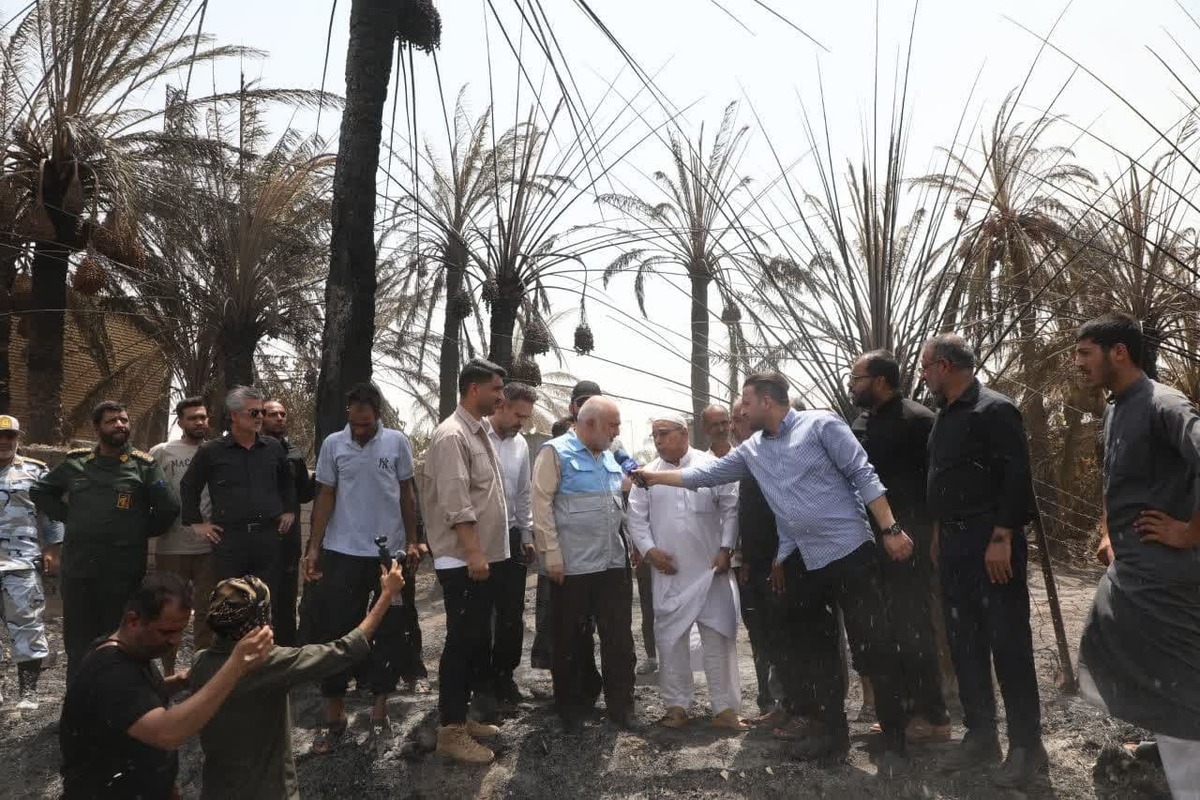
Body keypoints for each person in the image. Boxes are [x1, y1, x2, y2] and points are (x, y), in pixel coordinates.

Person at [636, 372, 914, 778]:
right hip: (803, 561)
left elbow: (862, 474)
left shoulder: (822, 424)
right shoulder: (752, 450)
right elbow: (703, 476)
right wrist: (652, 476)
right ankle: (832, 736)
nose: (741, 413)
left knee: (873, 646)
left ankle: (895, 742)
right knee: (816, 652)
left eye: (745, 404)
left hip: (850, 552)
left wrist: (889, 529)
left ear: (767, 401)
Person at [1073, 314, 1200, 799]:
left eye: (1086, 353)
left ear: (1118, 352)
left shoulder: (1164, 404)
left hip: (1168, 581)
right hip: (1131, 574)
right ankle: (1161, 747)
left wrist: (1189, 533)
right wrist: (1108, 530)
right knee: (1109, 648)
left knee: (1182, 698)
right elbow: (1116, 478)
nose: (1077, 363)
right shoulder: (1114, 409)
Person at [921, 333, 1046, 788]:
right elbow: (941, 480)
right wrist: (937, 534)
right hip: (953, 544)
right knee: (965, 641)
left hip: (990, 539)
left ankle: (1027, 747)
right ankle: (980, 736)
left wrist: (1002, 537)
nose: (922, 373)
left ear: (946, 366)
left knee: (1007, 644)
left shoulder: (994, 409)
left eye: (925, 365)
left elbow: (1016, 478)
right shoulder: (943, 417)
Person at [192, 563, 406, 799]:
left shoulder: (200, 664)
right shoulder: (269, 664)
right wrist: (387, 595)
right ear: (260, 618)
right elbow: (345, 649)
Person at [59, 572, 272, 800]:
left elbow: (137, 701)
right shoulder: (110, 672)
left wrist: (180, 681)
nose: (175, 641)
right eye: (166, 632)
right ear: (133, 621)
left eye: (180, 631)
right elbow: (168, 732)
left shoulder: (131, 655)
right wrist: (235, 666)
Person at [302, 382, 419, 752]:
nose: (362, 428)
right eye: (356, 421)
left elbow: (406, 492)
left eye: (368, 422)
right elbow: (325, 495)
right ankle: (333, 716)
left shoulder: (398, 442)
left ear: (378, 414)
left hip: (389, 556)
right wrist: (314, 547)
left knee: (389, 628)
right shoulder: (334, 444)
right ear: (349, 414)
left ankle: (380, 712)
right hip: (342, 552)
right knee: (337, 630)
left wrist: (413, 540)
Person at [32, 401, 179, 682]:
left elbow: (168, 508)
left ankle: (115, 701)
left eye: (124, 420)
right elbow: (40, 491)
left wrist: (136, 530)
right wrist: (69, 517)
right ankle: (78, 704)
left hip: (122, 571)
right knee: (77, 639)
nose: (120, 425)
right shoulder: (76, 463)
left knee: (120, 636)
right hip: (79, 568)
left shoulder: (143, 466)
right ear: (97, 428)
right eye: (112, 421)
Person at [849, 350, 951, 743]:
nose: (853, 385)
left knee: (914, 627)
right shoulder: (859, 423)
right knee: (888, 630)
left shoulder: (920, 420)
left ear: (879, 380)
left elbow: (936, 484)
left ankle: (935, 716)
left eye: (857, 378)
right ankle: (904, 711)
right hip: (870, 543)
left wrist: (935, 535)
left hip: (911, 540)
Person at [627, 412, 745, 731]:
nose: (658, 440)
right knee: (670, 638)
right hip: (670, 572)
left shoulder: (712, 467)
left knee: (718, 637)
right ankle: (676, 706)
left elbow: (730, 509)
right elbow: (636, 519)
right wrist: (651, 551)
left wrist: (725, 548)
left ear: (684, 433)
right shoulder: (646, 475)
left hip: (711, 570)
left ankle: (725, 709)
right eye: (655, 435)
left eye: (664, 433)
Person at [419, 358, 509, 764]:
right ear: (475, 390)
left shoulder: (478, 431)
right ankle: (451, 730)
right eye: (496, 389)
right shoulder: (451, 436)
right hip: (463, 560)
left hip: (480, 558)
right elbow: (457, 502)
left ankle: (462, 720)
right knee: (459, 643)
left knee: (474, 640)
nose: (501, 397)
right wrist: (474, 551)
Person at [532, 396, 637, 735]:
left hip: (611, 564)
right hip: (572, 567)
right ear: (589, 424)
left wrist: (632, 547)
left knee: (619, 639)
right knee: (571, 640)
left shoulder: (608, 455)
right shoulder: (555, 452)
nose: (617, 432)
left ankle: (622, 707)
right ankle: (572, 708)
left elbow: (620, 505)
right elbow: (541, 505)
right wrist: (551, 555)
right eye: (613, 425)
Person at [179, 386, 297, 622]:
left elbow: (287, 482)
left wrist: (290, 511)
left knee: (264, 604)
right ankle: (229, 656)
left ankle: (260, 654)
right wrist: (196, 523)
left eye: (262, 412)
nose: (261, 418)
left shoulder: (272, 448)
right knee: (229, 604)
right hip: (230, 541)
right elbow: (188, 486)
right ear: (234, 415)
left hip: (267, 539)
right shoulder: (211, 451)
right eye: (254, 413)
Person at [0, 414, 63, 709]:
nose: (4, 442)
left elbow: (50, 513)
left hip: (21, 561)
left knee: (27, 624)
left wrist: (52, 547)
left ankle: (28, 693)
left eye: (10, 436)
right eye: (0, 436)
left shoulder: (35, 471)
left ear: (17, 439)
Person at [149, 396, 215, 675]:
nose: (199, 422)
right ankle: (167, 673)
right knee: (169, 610)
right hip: (172, 545)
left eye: (202, 417)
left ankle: (201, 671)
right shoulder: (162, 452)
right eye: (192, 418)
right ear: (180, 422)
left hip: (208, 547)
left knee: (206, 613)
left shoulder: (217, 451)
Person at [728, 399, 785, 723]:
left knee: (779, 635)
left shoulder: (772, 458)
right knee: (761, 634)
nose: (734, 427)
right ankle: (772, 703)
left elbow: (783, 514)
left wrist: (780, 557)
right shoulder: (745, 460)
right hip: (753, 564)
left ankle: (789, 706)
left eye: (739, 419)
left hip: (777, 564)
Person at [486, 381, 538, 708]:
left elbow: (522, 494)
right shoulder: (475, 437)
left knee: (510, 613)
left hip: (512, 537)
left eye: (526, 417)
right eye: (519, 415)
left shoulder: (520, 445)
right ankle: (481, 683)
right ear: (501, 404)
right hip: (480, 539)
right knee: (479, 614)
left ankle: (505, 677)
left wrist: (527, 535)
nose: (523, 423)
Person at [262, 399, 317, 646]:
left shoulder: (294, 453)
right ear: (260, 417)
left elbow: (305, 493)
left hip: (288, 541)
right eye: (273, 414)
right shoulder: (254, 452)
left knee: (286, 601)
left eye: (283, 414)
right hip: (260, 540)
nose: (280, 418)